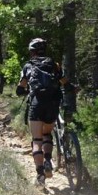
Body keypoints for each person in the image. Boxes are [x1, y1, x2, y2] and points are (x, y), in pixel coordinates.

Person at [16, 37, 67, 184]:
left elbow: (20, 88)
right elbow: (65, 83)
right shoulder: (54, 65)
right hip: (52, 103)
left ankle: (40, 175)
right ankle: (48, 161)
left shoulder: (28, 66)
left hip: (37, 104)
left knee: (37, 139)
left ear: (32, 51)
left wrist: (25, 91)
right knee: (47, 133)